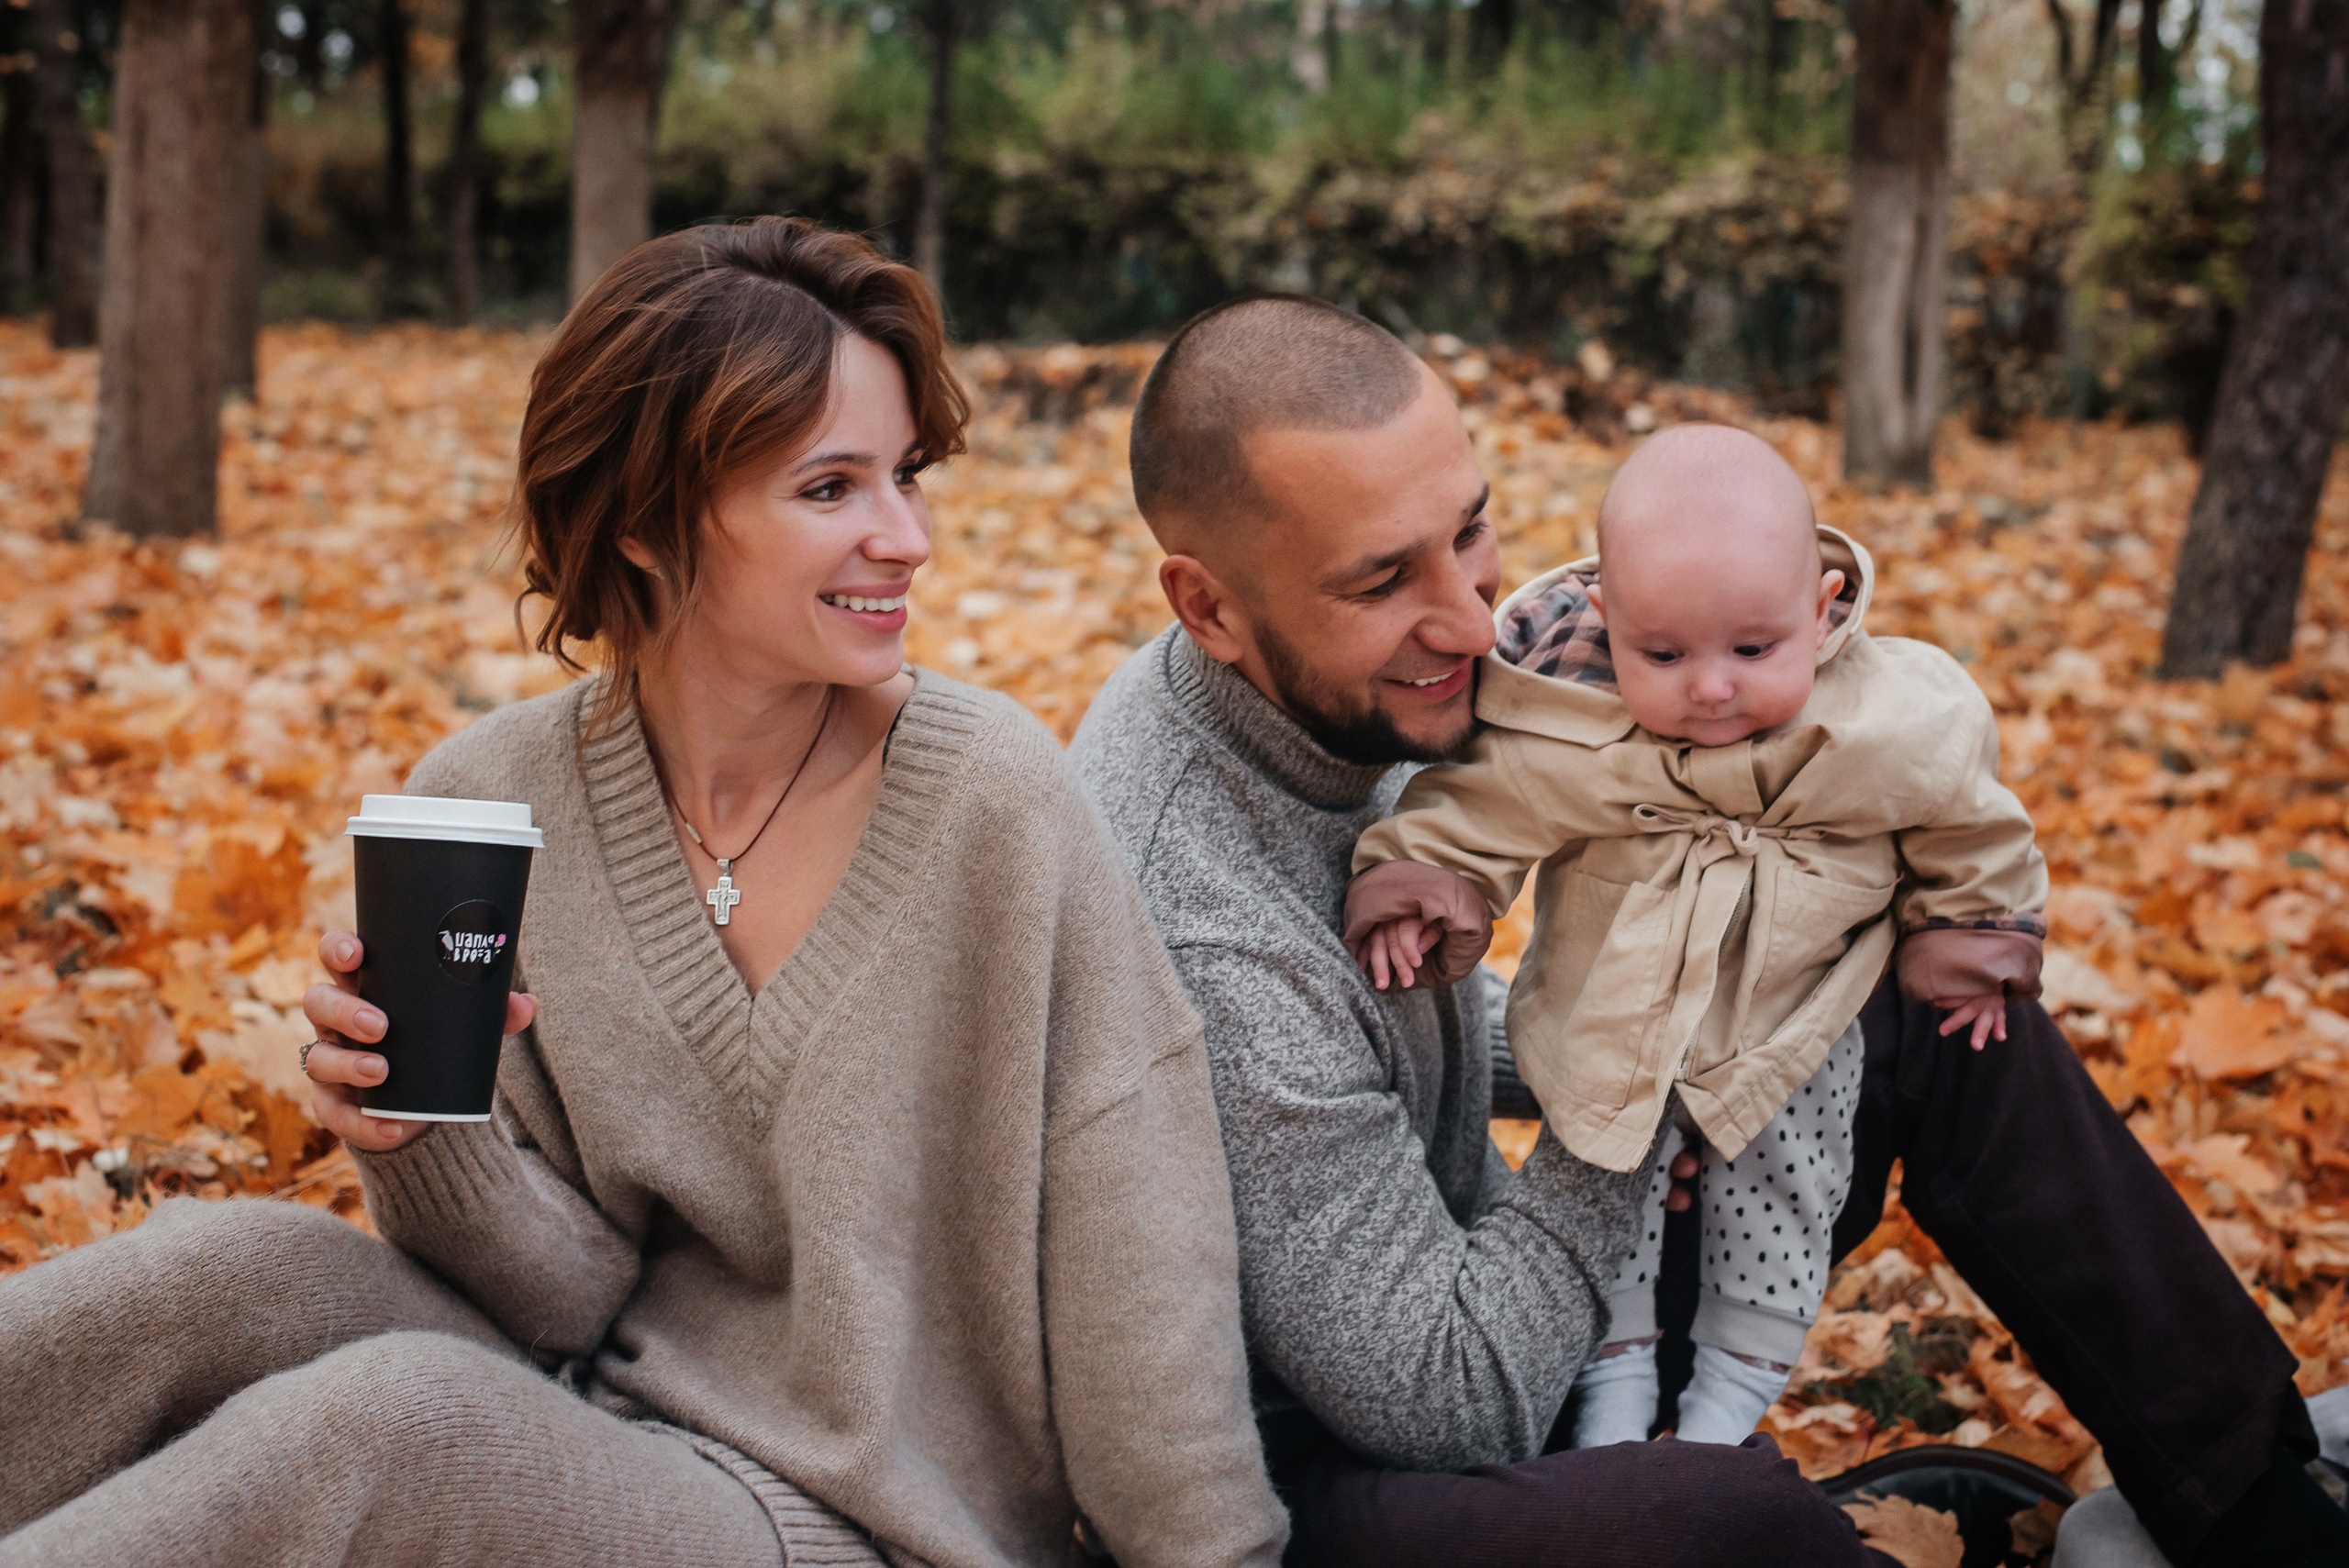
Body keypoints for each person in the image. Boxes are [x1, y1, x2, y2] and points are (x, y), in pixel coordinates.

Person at [0, 219, 1286, 1568]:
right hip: (592, 1419)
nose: (906, 538)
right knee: (220, 1269)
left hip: (868, 1525)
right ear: (646, 523)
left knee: (393, 1427)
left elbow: (1142, 1252)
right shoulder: (491, 799)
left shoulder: (995, 804)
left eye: (904, 476)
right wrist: (417, 1131)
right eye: (832, 488)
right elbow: (564, 1300)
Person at [1069, 294, 2346, 1568]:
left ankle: (2259, 1509)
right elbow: (1445, 1398)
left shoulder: (1339, 683)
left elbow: (1419, 1025)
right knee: (1729, 1523)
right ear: (1210, 606)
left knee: (1911, 991)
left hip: (1475, 1276)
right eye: (1384, 579)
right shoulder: (1204, 934)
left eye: (1470, 534)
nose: (1469, 621)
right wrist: (1626, 1110)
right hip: (1335, 1475)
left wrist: (1680, 1049)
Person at [1344, 424, 2048, 1450]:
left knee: (1781, 1194)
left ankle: (1726, 1402)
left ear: (1819, 610)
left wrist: (1971, 935)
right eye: (1661, 653)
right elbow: (1480, 808)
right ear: (1605, 617)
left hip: (1786, 1032)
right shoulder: (1570, 726)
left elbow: (1969, 819)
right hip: (1611, 1027)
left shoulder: (1888, 721)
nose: (1709, 687)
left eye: (1752, 650)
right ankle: (1614, 1390)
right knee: (1601, 1182)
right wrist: (1425, 884)